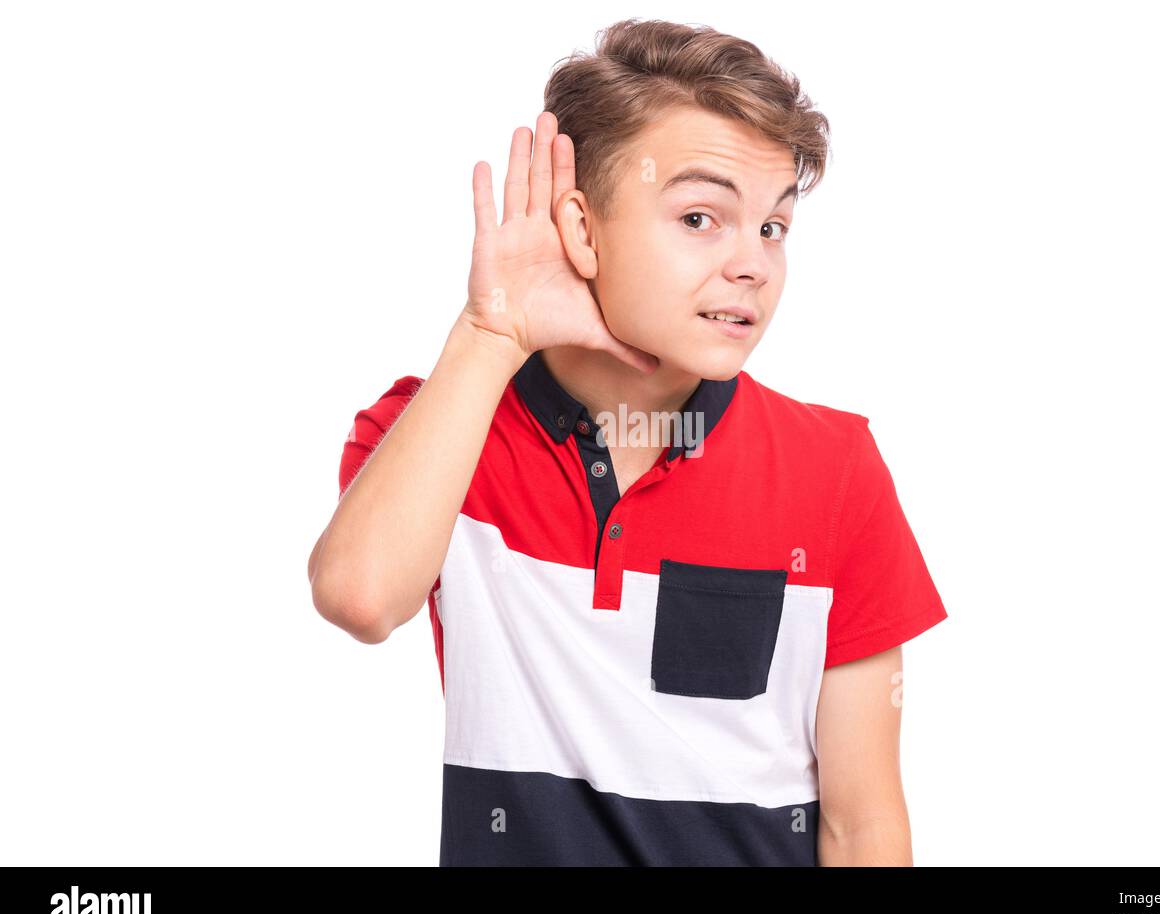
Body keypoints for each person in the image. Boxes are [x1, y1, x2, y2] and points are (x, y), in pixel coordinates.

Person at [308, 18, 947, 866]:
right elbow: (359, 596)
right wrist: (491, 334)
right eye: (699, 216)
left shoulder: (833, 468)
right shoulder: (441, 430)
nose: (754, 264)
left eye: (772, 227)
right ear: (581, 227)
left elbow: (862, 824)